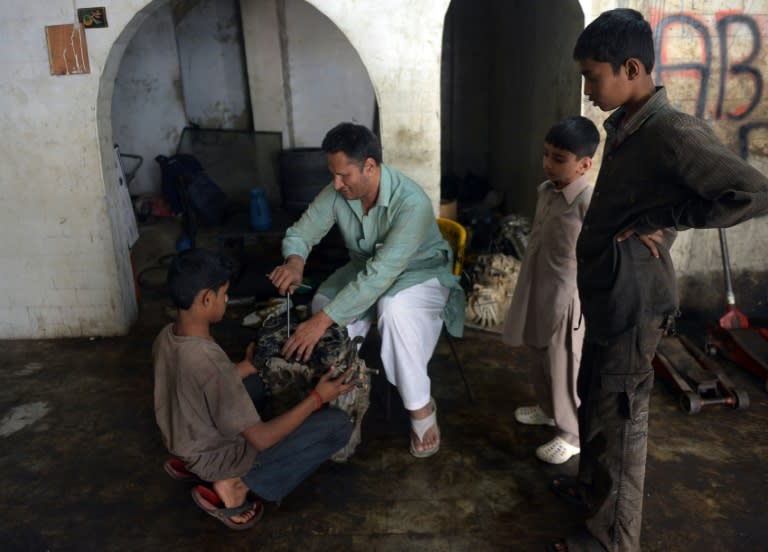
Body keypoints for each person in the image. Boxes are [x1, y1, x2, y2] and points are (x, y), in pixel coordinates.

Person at [548, 9, 768, 552]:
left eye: (592, 76)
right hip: (609, 293)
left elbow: (753, 193)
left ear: (630, 68)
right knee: (594, 398)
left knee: (621, 420)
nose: (586, 88)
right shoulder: (628, 127)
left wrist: (666, 219)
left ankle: (611, 542)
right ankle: (589, 495)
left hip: (636, 298)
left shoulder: (672, 131)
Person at [268, 122, 465, 458]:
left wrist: (321, 323)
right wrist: (295, 262)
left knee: (394, 311)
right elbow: (303, 232)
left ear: (370, 167)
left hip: (418, 272)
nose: (336, 183)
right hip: (365, 267)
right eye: (332, 174)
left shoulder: (411, 202)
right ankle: (344, 402)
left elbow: (381, 276)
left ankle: (420, 408)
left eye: (344, 175)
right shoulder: (338, 192)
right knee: (322, 303)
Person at [153, 249, 356, 530]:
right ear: (206, 299)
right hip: (217, 458)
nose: (226, 299)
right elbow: (262, 439)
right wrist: (317, 398)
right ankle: (235, 485)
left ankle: (196, 466)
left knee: (259, 380)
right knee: (338, 425)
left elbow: (198, 386)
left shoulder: (168, 335)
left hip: (186, 440)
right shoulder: (210, 361)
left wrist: (247, 366)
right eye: (224, 293)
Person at [503, 115, 599, 465]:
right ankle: (547, 409)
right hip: (537, 288)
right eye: (546, 155)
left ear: (584, 164)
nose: (548, 164)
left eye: (559, 159)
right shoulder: (546, 191)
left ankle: (571, 433)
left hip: (567, 300)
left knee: (564, 365)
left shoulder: (589, 201)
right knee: (538, 355)